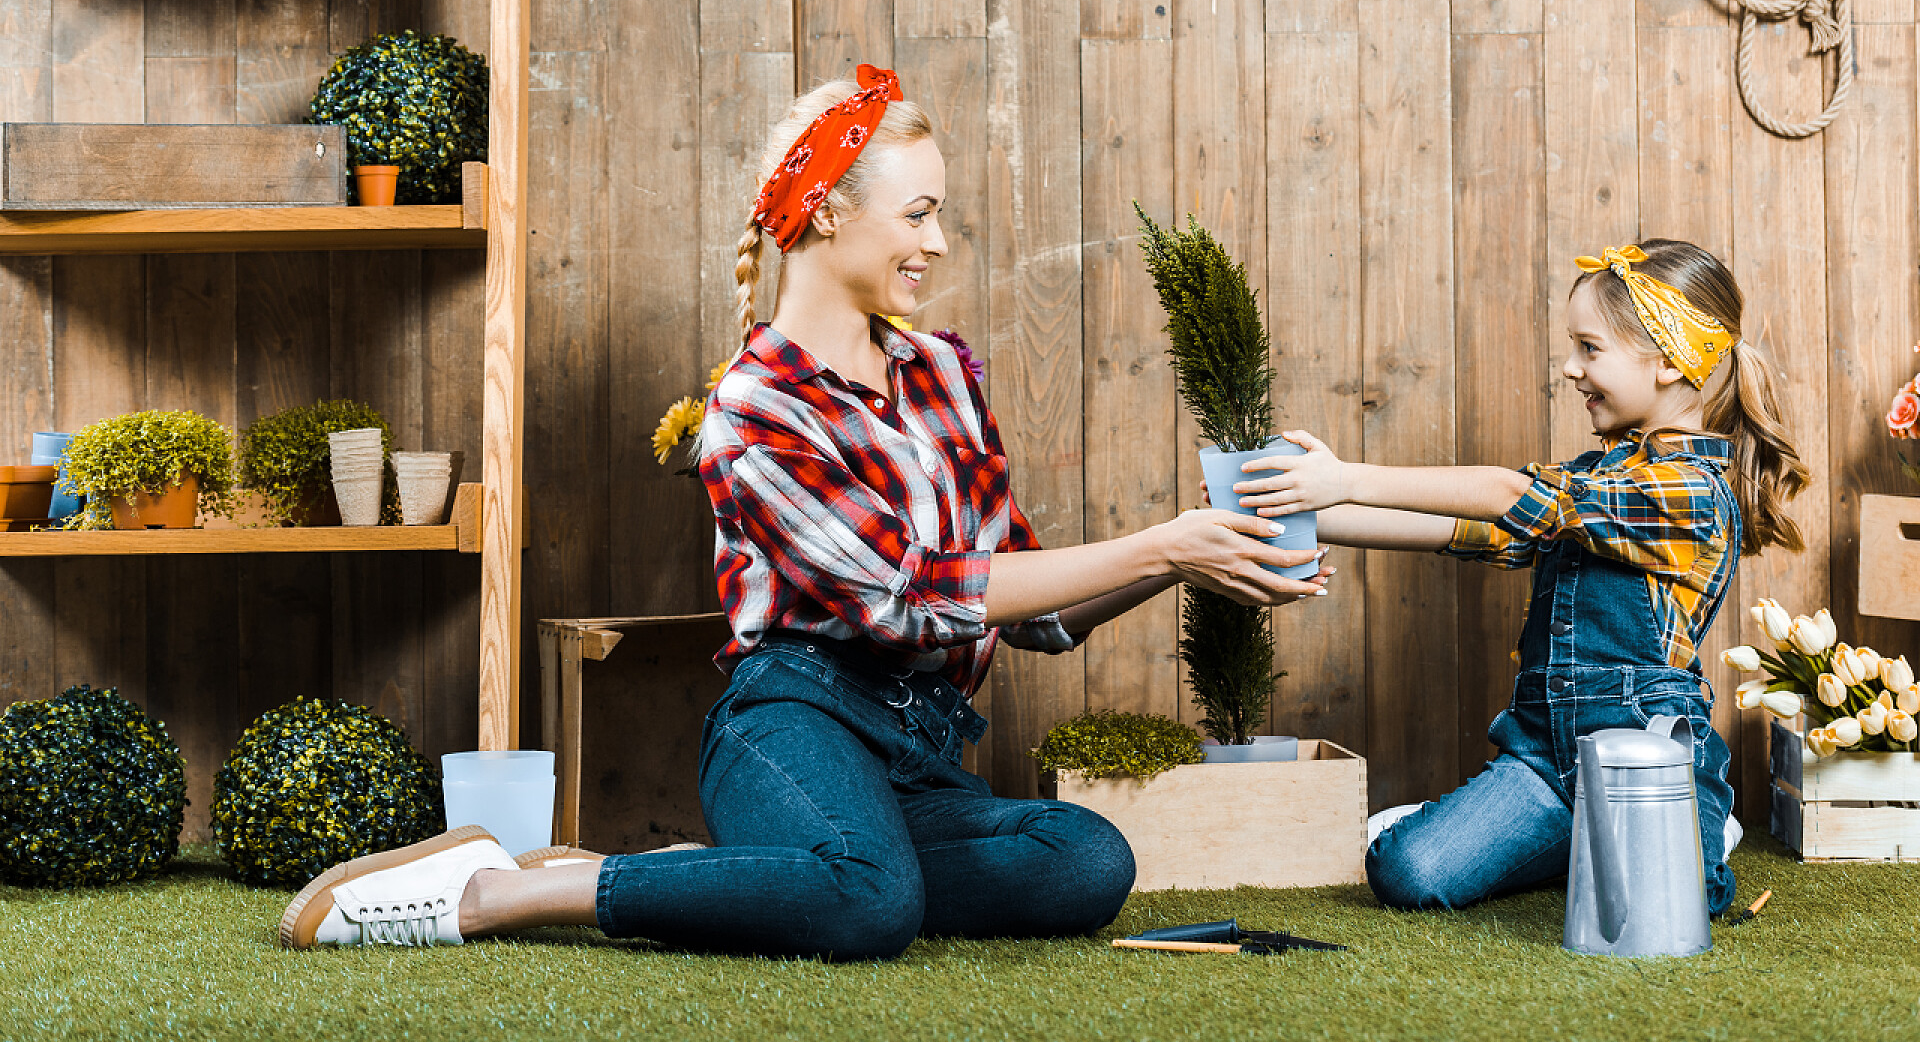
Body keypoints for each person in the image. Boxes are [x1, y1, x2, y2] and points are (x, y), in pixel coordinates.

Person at [279, 65, 1332, 956]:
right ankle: (509, 888)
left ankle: (758, 879)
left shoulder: (941, 372)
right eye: (918, 213)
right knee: (871, 905)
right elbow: (910, 598)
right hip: (796, 720)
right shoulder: (753, 408)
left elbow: (1028, 601)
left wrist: (1195, 553)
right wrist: (1159, 544)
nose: (939, 241)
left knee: (1085, 859)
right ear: (828, 210)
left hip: (922, 745)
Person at [1232, 240, 1808, 916]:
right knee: (1405, 871)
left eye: (1590, 348)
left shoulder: (1691, 491)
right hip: (1544, 756)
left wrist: (1346, 476)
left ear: (1666, 360)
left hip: (1641, 760)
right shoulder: (1592, 476)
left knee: (1676, 905)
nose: (1570, 367)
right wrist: (1300, 512)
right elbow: (1471, 528)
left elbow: (1513, 495)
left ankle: (1691, 821)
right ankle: (1578, 840)